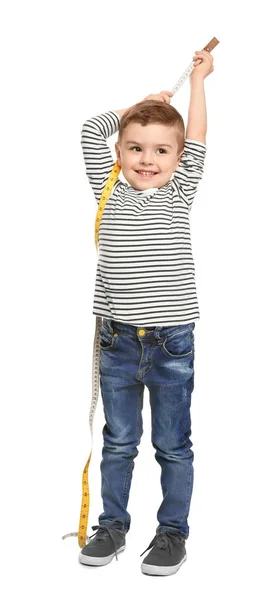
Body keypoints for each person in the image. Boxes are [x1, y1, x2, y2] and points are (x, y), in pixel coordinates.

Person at [79, 49, 214, 576]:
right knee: (118, 442)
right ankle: (111, 527)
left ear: (178, 158)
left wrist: (198, 81)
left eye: (161, 150)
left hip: (171, 342)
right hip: (117, 339)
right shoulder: (107, 190)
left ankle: (172, 534)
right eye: (134, 147)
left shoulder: (180, 192)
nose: (146, 159)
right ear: (119, 153)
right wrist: (139, 105)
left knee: (173, 445)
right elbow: (92, 128)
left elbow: (198, 136)